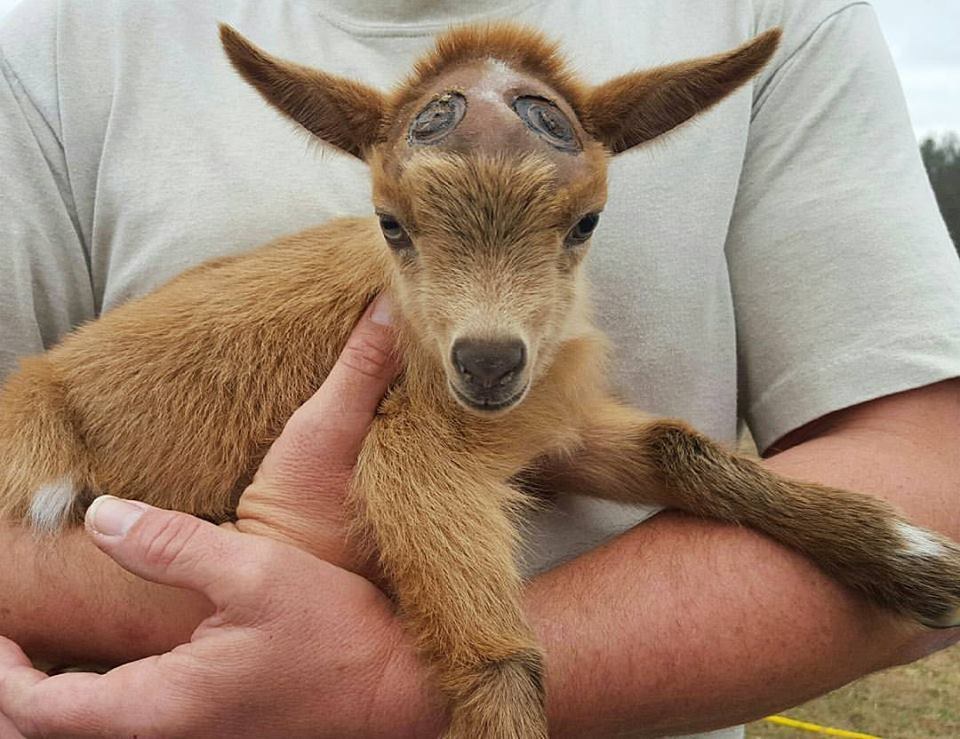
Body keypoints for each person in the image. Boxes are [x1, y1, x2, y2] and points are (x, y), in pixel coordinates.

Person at [1, 0, 959, 736]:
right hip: (65, 435)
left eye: (574, 227)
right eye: (401, 232)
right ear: (381, 196)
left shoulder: (788, 17)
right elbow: (412, 465)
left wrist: (376, 683)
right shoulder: (55, 41)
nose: (488, 324)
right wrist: (487, 671)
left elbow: (576, 438)